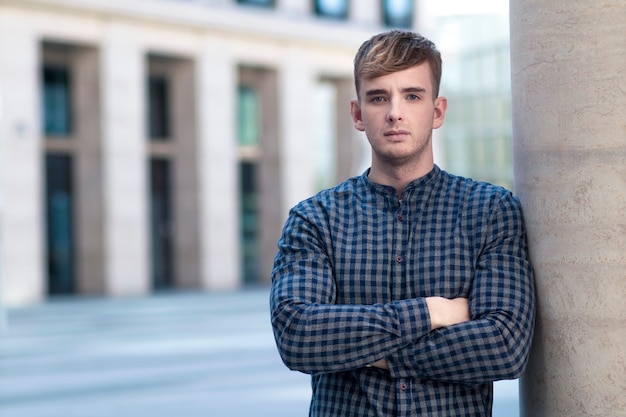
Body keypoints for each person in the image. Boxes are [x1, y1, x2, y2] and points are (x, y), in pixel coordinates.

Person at [269, 29, 535, 417]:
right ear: (358, 114)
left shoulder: (490, 211)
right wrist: (432, 312)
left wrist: (367, 351)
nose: (395, 112)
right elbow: (298, 336)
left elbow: (504, 347)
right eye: (379, 98)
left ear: (437, 110)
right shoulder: (315, 219)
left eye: (412, 95)